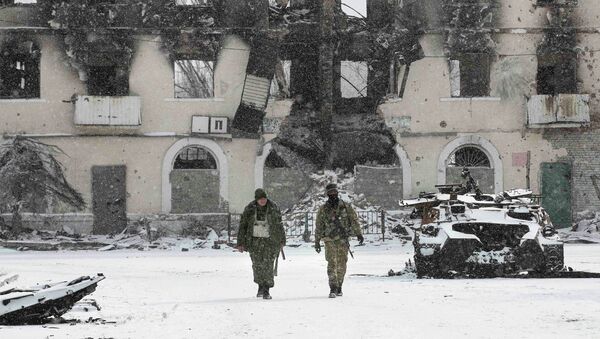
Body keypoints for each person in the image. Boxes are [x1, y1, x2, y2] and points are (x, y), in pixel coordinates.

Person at [314, 183, 364, 298]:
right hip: (329, 239)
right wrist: (317, 241)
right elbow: (319, 226)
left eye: (334, 192)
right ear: (327, 194)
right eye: (330, 192)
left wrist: (359, 234)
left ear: (337, 192)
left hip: (342, 239)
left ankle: (339, 286)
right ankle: (333, 287)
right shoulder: (323, 209)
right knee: (332, 263)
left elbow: (354, 220)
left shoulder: (346, 207)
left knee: (342, 263)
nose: (332, 194)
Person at [237, 188, 286, 300]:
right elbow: (243, 226)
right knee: (257, 265)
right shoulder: (249, 209)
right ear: (256, 199)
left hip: (270, 241)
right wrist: (240, 243)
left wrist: (282, 239)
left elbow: (279, 224)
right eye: (260, 199)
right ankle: (260, 286)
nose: (263, 201)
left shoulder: (273, 208)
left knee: (268, 265)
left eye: (264, 198)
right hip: (254, 242)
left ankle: (266, 289)